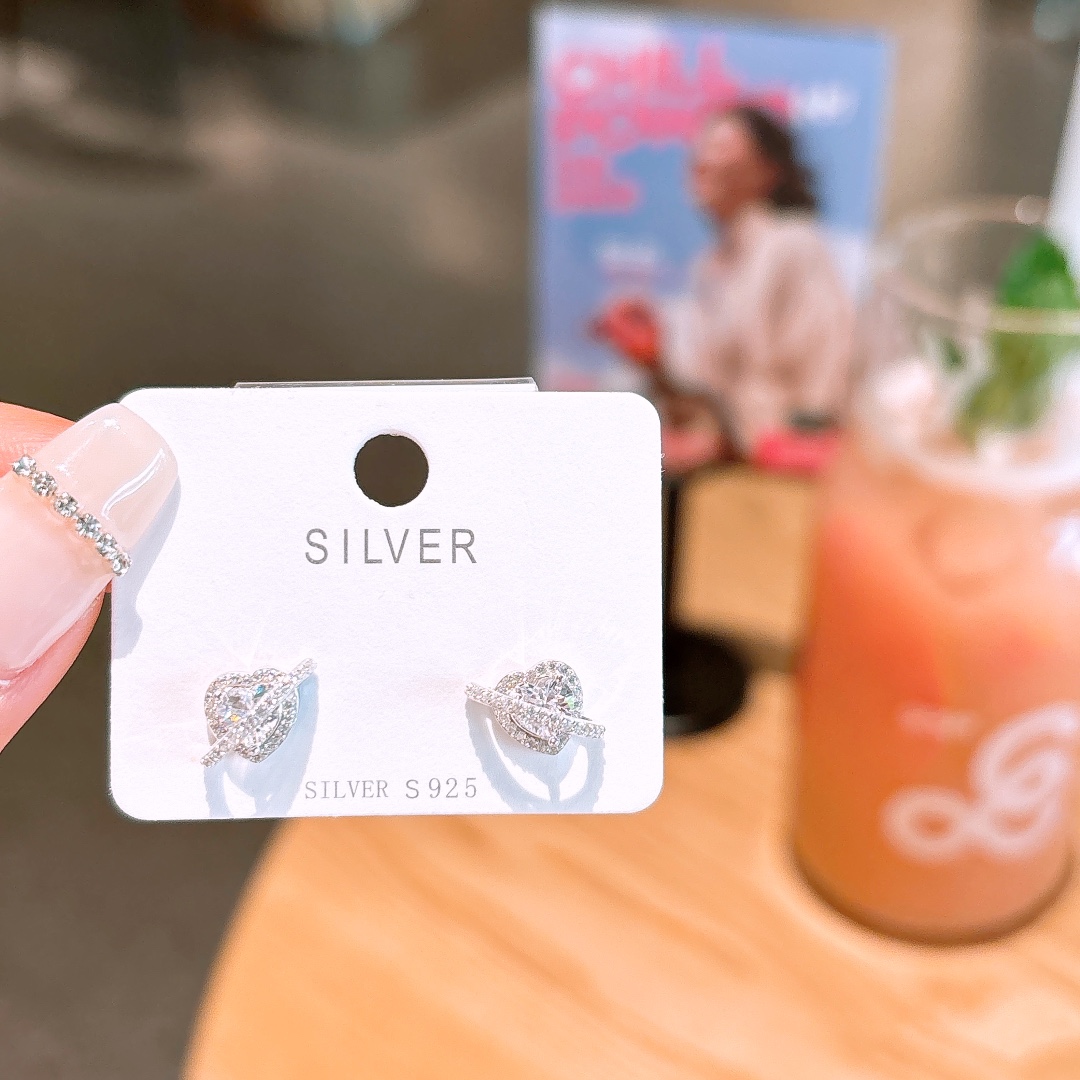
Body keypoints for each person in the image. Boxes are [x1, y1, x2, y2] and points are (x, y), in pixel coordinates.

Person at [594, 104, 855, 474]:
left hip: (779, 481)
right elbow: (706, 402)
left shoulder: (793, 244)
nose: (700, 161)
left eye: (719, 147)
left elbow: (821, 394)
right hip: (726, 471)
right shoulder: (707, 268)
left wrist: (739, 445)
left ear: (767, 170)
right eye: (698, 148)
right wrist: (653, 359)